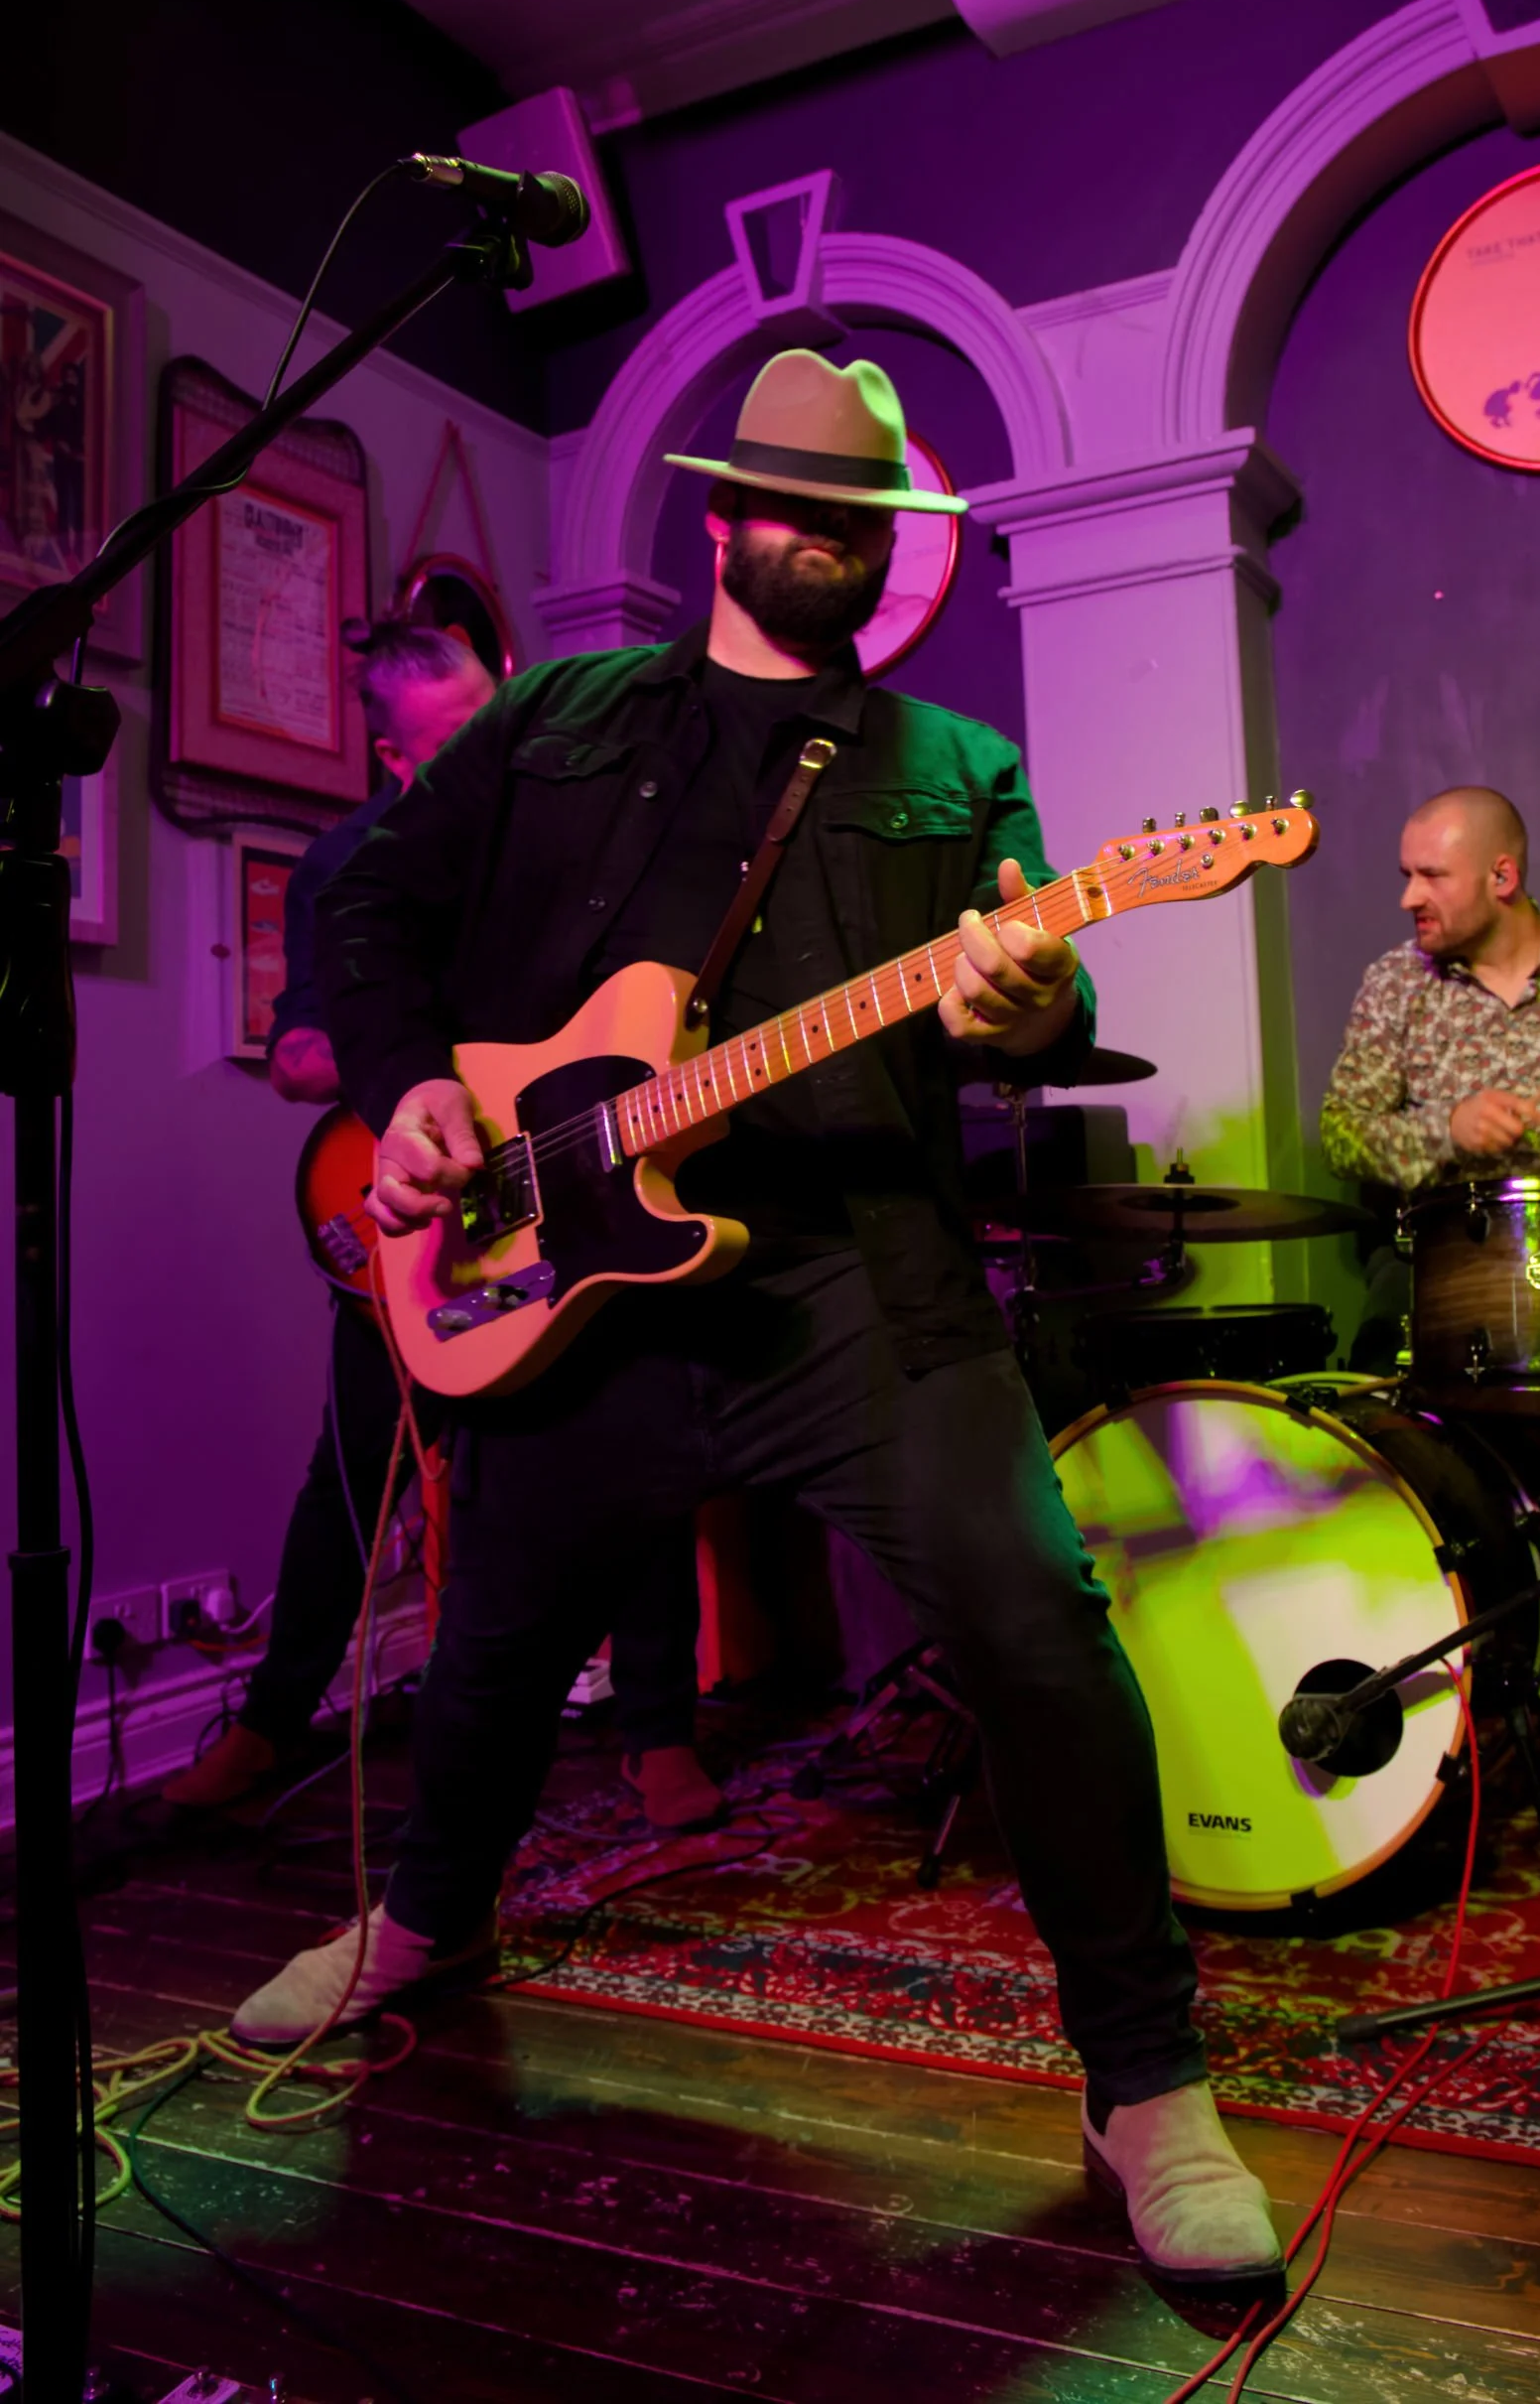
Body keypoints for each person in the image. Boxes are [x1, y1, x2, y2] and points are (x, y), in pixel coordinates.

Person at [230, 350, 1282, 2290]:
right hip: (561, 1280)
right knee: (482, 1659)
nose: (823, 536)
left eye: (856, 512)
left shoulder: (954, 770)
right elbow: (370, 917)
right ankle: (420, 1922)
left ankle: (1139, 2080)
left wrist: (1015, 1000)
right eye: (787, 501)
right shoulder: (558, 716)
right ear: (714, 514)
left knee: (1043, 1625)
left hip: (855, 1290)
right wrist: (414, 1091)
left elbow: (1029, 996)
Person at [166, 620, 723, 1833]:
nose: (487, 743)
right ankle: (272, 1719)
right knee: (354, 1468)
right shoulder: (347, 863)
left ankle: (656, 1731)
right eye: (448, 737)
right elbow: (302, 1051)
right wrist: (373, 1061)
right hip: (428, 1210)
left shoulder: (582, 824)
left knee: (634, 1454)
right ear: (390, 756)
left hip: (569, 1184)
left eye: (492, 708)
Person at [1323, 785, 1540, 1363]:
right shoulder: (1395, 984)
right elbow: (1341, 1134)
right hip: (1452, 1261)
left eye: (1432, 876)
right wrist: (1446, 1130)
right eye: (1407, 874)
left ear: (1502, 878)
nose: (1409, 897)